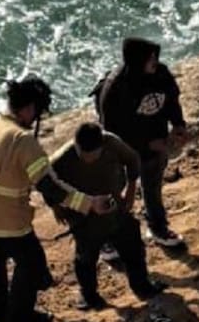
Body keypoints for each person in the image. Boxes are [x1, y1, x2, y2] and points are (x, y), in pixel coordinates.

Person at [0, 74, 114, 322]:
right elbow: (50, 187)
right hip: (6, 219)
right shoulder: (23, 142)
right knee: (31, 263)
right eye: (38, 112)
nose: (36, 119)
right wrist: (89, 203)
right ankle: (20, 317)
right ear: (30, 107)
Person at [49, 122, 166, 311]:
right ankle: (89, 296)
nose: (88, 160)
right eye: (83, 155)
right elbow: (48, 184)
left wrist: (130, 189)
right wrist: (56, 207)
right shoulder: (61, 159)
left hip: (114, 206)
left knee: (133, 246)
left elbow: (133, 159)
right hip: (83, 215)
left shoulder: (112, 142)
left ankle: (142, 286)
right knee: (86, 257)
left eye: (93, 156)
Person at [93, 37, 190, 247]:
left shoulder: (161, 74)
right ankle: (108, 241)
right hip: (123, 154)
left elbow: (172, 101)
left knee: (152, 189)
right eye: (149, 58)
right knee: (115, 193)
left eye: (155, 55)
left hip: (155, 149)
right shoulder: (115, 89)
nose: (155, 60)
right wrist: (147, 144)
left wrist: (178, 124)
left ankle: (158, 229)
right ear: (137, 61)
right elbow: (112, 132)